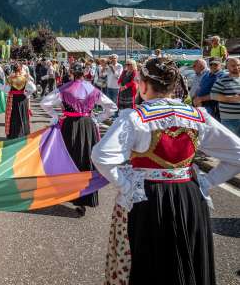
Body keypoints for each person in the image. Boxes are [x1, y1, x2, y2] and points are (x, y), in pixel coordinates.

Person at [91, 57, 240, 285]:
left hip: (148, 198)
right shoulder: (198, 116)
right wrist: (207, 182)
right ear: (174, 85)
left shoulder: (136, 117)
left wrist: (126, 185)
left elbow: (101, 156)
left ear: (143, 85)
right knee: (185, 256)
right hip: (189, 195)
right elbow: (236, 154)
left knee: (148, 261)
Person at [40, 63, 117, 216]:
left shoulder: (64, 89)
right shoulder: (93, 89)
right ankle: (85, 197)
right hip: (88, 126)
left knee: (69, 159)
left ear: (71, 73)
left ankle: (67, 192)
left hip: (69, 126)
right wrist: (98, 118)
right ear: (85, 73)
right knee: (85, 159)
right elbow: (112, 107)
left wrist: (55, 116)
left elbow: (44, 103)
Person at [1, 63, 36, 139]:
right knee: (23, 115)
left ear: (13, 69)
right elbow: (33, 88)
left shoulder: (10, 78)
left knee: (13, 116)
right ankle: (24, 133)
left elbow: (6, 90)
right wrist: (27, 93)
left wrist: (0, 87)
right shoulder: (25, 77)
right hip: (23, 99)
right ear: (21, 69)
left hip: (13, 99)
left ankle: (13, 135)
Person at [210, 57, 240, 136]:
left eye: (238, 65)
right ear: (228, 67)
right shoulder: (222, 79)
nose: (236, 67)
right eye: (233, 66)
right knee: (231, 145)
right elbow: (213, 95)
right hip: (230, 120)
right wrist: (231, 99)